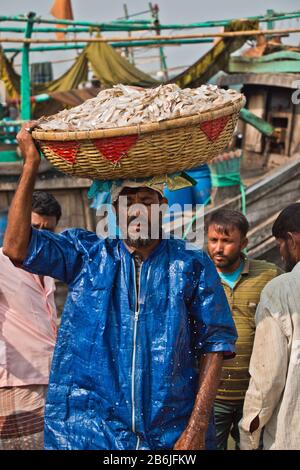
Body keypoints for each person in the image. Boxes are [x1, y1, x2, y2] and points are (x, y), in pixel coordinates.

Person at [3, 123, 237, 451]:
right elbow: (16, 248)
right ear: (116, 211)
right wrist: (30, 165)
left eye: (147, 200)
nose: (137, 209)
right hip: (91, 431)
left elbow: (216, 344)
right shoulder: (87, 256)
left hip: (171, 432)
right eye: (129, 202)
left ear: (162, 207)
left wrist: (197, 427)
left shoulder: (191, 265)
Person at [206, 209, 281, 450]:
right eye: (213, 240)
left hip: (254, 394)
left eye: (227, 241)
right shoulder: (198, 275)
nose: (219, 248)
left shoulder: (268, 275)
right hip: (211, 394)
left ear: (244, 243)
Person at [0, 190, 61, 450]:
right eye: (34, 227)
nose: (40, 236)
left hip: (50, 376)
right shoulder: (1, 263)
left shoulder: (47, 267)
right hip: (17, 381)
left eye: (48, 230)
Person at [239, 203, 300, 450]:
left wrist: (248, 437)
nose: (282, 255)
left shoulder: (281, 290)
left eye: (279, 246)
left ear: (292, 240)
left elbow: (268, 379)